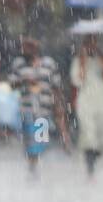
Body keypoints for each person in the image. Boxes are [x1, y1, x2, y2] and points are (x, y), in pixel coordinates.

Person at [9, 37, 67, 177]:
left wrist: (59, 106)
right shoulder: (19, 64)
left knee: (41, 141)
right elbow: (11, 84)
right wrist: (24, 80)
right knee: (30, 140)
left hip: (44, 109)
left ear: (37, 48)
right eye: (24, 46)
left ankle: (36, 166)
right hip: (26, 109)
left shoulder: (49, 64)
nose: (26, 49)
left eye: (30, 46)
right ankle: (32, 169)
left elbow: (56, 86)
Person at [70, 35, 103, 179]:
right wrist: (82, 64)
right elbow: (77, 81)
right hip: (86, 100)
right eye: (90, 43)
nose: (92, 46)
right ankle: (90, 167)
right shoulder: (78, 61)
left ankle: (94, 159)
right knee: (89, 134)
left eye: (95, 43)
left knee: (102, 136)